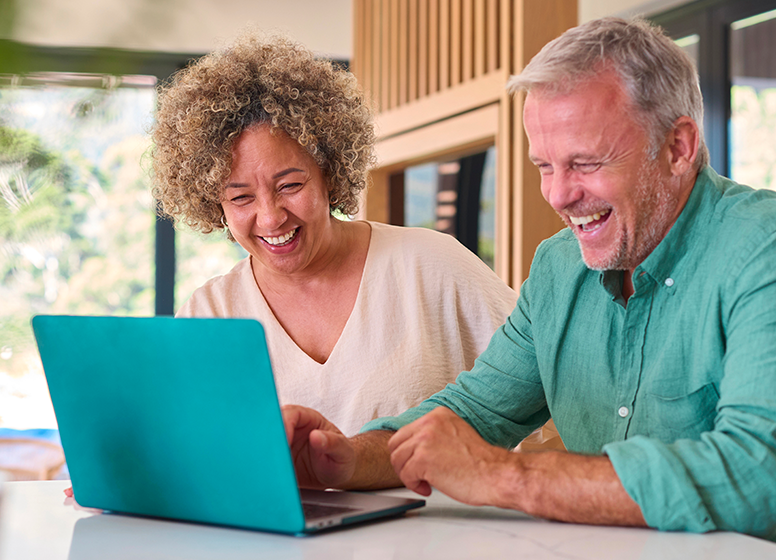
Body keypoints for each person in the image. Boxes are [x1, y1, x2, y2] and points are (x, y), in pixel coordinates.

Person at [282, 17, 776, 554]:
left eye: (585, 163)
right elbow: (475, 412)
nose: (558, 196)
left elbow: (755, 477)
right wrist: (350, 458)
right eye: (545, 165)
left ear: (678, 147)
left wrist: (506, 477)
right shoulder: (559, 266)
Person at [149, 34, 518, 437]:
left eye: (290, 186)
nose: (271, 218)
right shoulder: (210, 314)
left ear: (329, 171)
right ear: (213, 202)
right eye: (240, 197)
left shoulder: (431, 265)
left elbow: (548, 395)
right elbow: (183, 447)